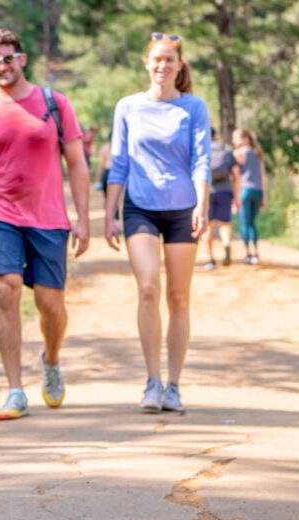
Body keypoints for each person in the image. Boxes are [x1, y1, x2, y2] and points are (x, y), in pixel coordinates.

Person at [0, 28, 90, 421]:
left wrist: (83, 220)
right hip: (0, 216)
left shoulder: (54, 103)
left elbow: (77, 163)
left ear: (23, 59)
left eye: (8, 58)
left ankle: (50, 359)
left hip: (49, 217)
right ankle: (15, 390)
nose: (2, 66)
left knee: (51, 305)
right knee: (7, 289)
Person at [104, 32, 211, 413]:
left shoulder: (193, 107)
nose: (163, 65)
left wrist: (202, 203)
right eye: (157, 59)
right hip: (141, 207)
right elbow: (119, 163)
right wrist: (110, 214)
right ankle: (152, 382)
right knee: (148, 287)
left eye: (170, 59)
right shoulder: (128, 106)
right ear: (146, 63)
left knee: (178, 296)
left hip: (183, 207)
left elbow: (201, 159)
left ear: (180, 65)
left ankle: (174, 385)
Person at [203, 128, 238, 270]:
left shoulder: (201, 150)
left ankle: (210, 259)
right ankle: (227, 245)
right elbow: (236, 173)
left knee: (208, 225)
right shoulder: (227, 149)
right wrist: (236, 195)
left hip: (206, 191)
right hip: (225, 190)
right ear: (216, 135)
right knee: (225, 224)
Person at [232, 128, 267, 264]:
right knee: (253, 223)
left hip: (245, 191)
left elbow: (235, 177)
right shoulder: (258, 153)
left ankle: (248, 254)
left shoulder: (237, 154)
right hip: (258, 191)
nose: (234, 141)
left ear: (246, 139)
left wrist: (235, 197)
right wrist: (264, 196)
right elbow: (263, 177)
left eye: (236, 138)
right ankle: (256, 253)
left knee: (245, 224)